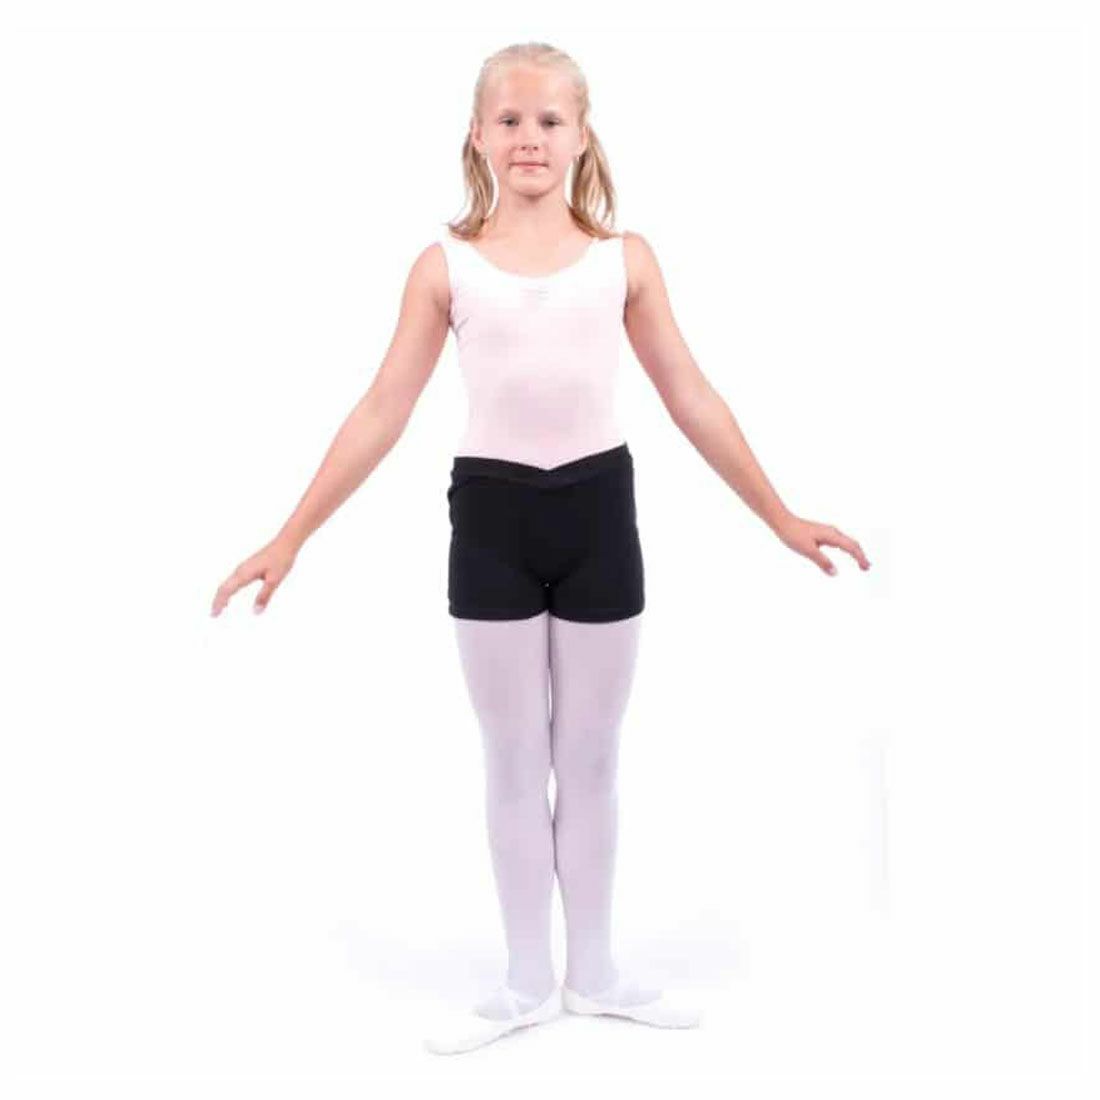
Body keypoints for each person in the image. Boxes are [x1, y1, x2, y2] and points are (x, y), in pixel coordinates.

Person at [211, 42, 871, 1055]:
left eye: (549, 120)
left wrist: (779, 515)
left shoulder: (623, 260)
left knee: (591, 755)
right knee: (515, 755)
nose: (529, 137)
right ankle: (527, 980)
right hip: (493, 518)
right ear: (477, 135)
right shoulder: (445, 266)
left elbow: (691, 395)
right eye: (510, 119)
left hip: (598, 511)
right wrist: (290, 534)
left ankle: (594, 972)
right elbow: (383, 407)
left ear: (581, 137)